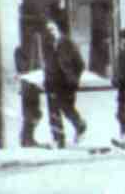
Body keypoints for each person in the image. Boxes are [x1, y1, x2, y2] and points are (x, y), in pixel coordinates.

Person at [42, 15, 87, 149]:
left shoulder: (68, 43)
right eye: (48, 30)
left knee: (67, 108)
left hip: (66, 83)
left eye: (52, 29)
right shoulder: (47, 45)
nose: (50, 33)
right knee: (53, 111)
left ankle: (80, 126)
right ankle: (58, 140)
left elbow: (80, 64)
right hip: (52, 82)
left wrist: (73, 78)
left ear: (58, 29)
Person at [14, 33, 44, 148]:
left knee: (34, 113)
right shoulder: (21, 51)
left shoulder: (32, 52)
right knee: (32, 113)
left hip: (32, 85)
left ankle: (26, 138)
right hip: (28, 86)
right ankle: (26, 139)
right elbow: (23, 69)